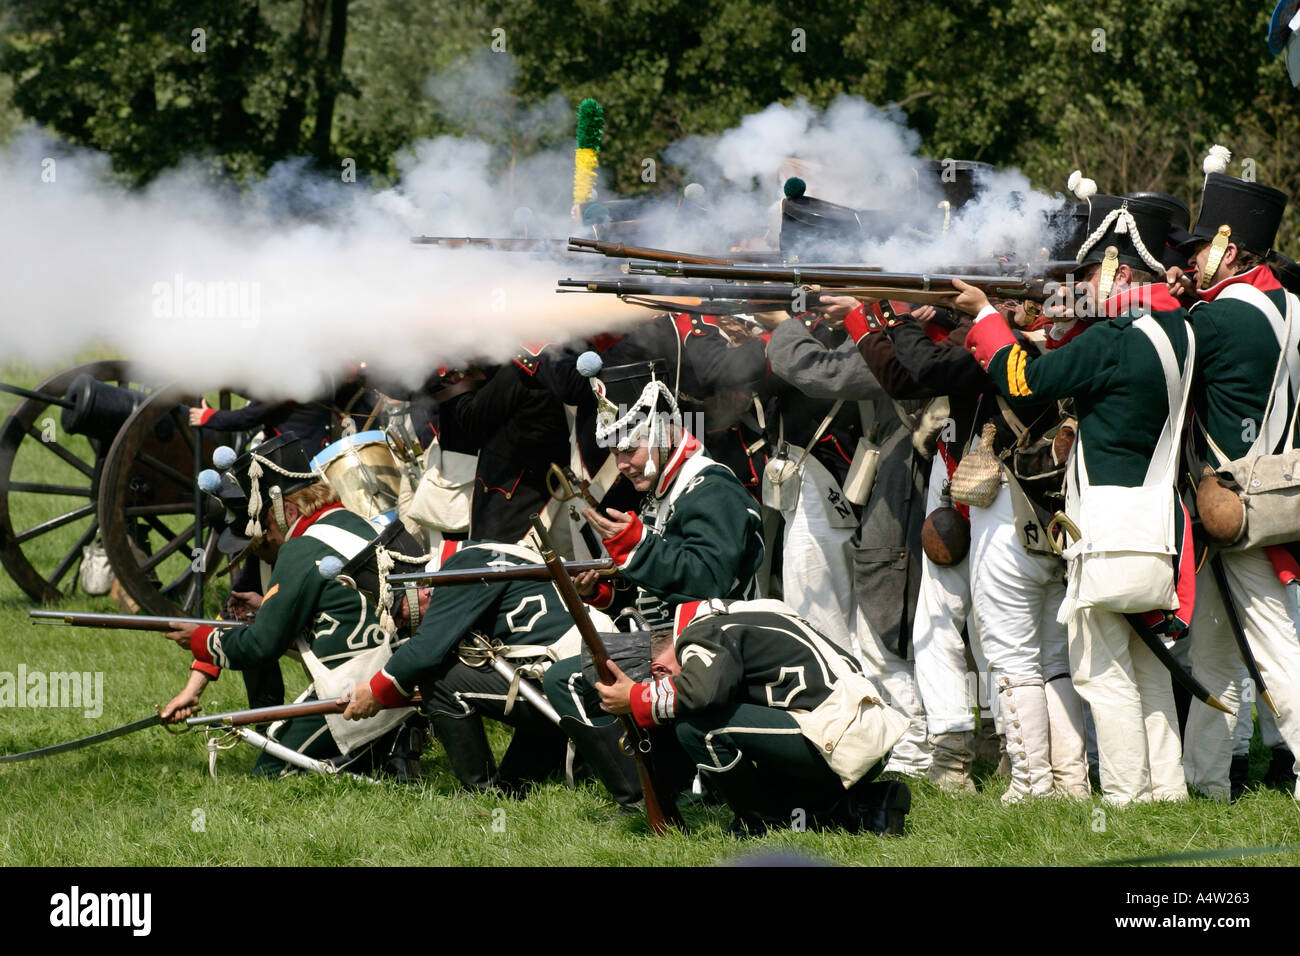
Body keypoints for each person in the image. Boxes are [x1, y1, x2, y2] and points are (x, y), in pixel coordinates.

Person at [954, 193, 1194, 806]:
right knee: (1147, 669)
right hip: (1160, 523)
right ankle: (1166, 792)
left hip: (1109, 526)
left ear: (1117, 271)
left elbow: (1020, 381)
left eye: (1090, 272)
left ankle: (1122, 795)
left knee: (1101, 669)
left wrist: (986, 318)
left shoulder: (1114, 336)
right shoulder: (1177, 326)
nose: (1082, 283)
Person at [160, 433, 412, 776]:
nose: (267, 536)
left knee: (269, 773)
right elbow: (255, 618)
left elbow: (262, 643)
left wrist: (198, 639)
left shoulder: (301, 548)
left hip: (357, 681)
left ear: (287, 510)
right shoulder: (349, 519)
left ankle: (367, 753)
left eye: (265, 524)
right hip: (397, 668)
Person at [1173, 159, 1300, 800]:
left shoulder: (1216, 318)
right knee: (1216, 653)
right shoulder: (1294, 305)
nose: (1193, 258)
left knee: (1278, 650)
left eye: (1201, 248)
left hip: (1237, 498)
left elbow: (1163, 366)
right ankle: (1206, 778)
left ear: (1227, 249)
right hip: (1279, 489)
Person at [594, 599, 912, 836]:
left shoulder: (700, 633)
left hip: (838, 736)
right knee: (786, 801)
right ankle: (869, 805)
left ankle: (758, 822)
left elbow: (703, 693)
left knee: (698, 729)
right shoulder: (754, 608)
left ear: (659, 671)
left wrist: (636, 697)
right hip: (860, 735)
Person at [341, 540, 616, 794]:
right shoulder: (479, 556)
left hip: (574, 680)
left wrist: (376, 691)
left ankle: (477, 790)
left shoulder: (462, 567)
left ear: (420, 589)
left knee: (441, 682)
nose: (398, 624)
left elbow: (425, 652)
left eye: (397, 611)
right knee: (509, 788)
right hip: (568, 671)